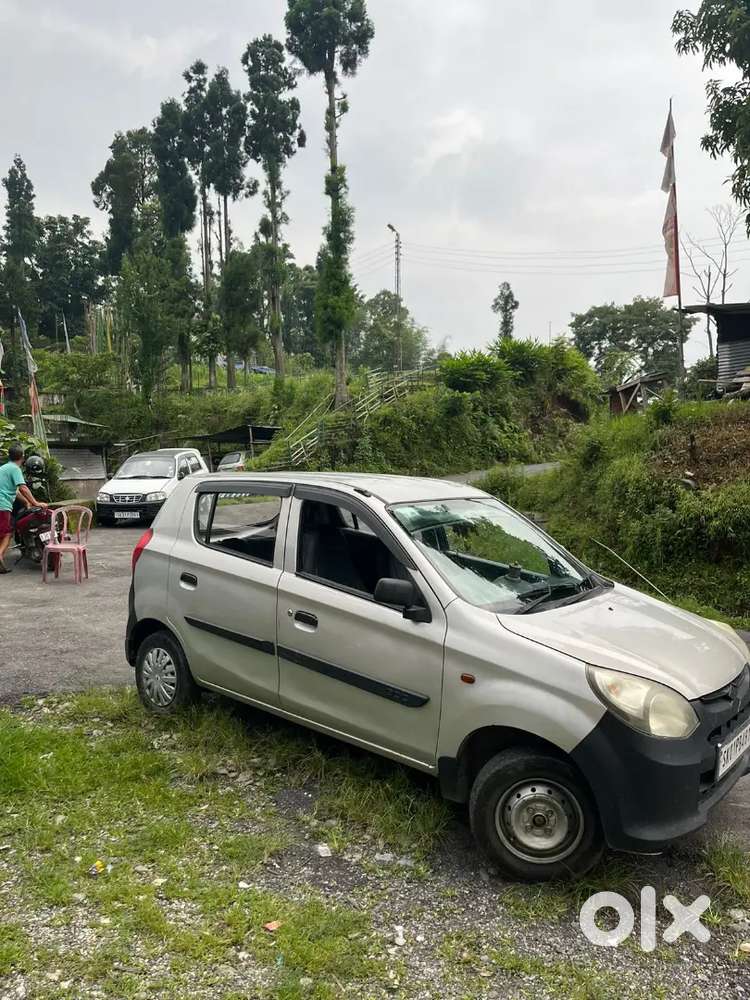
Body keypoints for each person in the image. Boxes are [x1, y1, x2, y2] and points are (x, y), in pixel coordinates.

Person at [0, 444, 48, 573]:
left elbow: (15, 492)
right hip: (2, 505)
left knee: (2, 532)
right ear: (22, 457)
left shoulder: (3, 468)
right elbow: (23, 487)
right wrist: (36, 502)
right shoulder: (15, 469)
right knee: (7, 533)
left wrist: (27, 502)